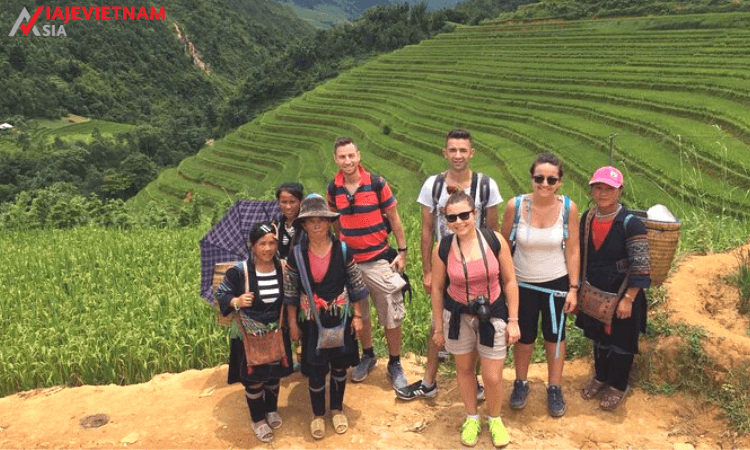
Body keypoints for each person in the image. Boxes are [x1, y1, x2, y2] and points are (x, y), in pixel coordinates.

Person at [398, 129, 504, 401]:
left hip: (479, 268)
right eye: (453, 150)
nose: (458, 155)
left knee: (479, 322)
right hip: (446, 265)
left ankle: (474, 381)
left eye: (463, 150)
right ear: (444, 153)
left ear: (472, 153)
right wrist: (428, 271)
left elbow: (494, 232)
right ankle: (429, 381)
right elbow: (426, 230)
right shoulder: (432, 185)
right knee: (438, 323)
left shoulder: (486, 186)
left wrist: (496, 273)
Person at [431, 191, 520, 447]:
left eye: (464, 215)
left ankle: (495, 418)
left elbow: (510, 281)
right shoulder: (443, 248)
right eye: (452, 217)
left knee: (492, 376)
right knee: (464, 369)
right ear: (446, 220)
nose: (458, 221)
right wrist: (439, 328)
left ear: (475, 214)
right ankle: (472, 417)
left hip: (493, 314)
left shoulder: (494, 241)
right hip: (458, 316)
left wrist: (513, 320)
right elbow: (437, 288)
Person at [500, 152, 580, 417]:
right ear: (532, 178)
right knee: (523, 337)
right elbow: (503, 246)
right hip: (522, 284)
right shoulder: (515, 206)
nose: (544, 184)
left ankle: (554, 387)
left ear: (559, 182)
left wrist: (573, 288)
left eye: (551, 179)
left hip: (556, 283)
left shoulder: (568, 208)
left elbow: (573, 249)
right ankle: (520, 382)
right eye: (539, 178)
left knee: (555, 336)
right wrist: (503, 283)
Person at [327, 137, 410, 390]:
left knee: (391, 312)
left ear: (359, 156)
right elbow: (336, 222)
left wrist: (403, 251)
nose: (347, 161)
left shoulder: (376, 183)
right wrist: (343, 247)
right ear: (335, 159)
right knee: (359, 313)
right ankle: (368, 355)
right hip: (350, 264)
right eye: (342, 157)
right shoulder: (333, 189)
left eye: (351, 155)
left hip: (378, 260)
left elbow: (394, 218)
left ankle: (394, 362)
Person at [284, 194, 369, 440]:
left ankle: (337, 409)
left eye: (321, 220)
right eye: (311, 221)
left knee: (340, 365)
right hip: (311, 320)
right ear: (303, 225)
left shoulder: (342, 250)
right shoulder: (297, 255)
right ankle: (318, 414)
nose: (317, 225)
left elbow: (355, 285)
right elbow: (291, 292)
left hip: (340, 317)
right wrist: (292, 323)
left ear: (330, 222)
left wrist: (358, 316)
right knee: (316, 368)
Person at [576, 166, 651, 410]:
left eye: (609, 188)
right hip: (595, 292)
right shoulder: (588, 218)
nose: (602, 193)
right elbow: (582, 254)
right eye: (598, 188)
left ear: (619, 191)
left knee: (622, 342)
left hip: (622, 293)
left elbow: (641, 265)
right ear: (591, 190)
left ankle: (618, 385)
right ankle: (601, 376)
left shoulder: (631, 224)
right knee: (599, 338)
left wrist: (629, 298)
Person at [215, 222, 294, 443]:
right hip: (250, 334)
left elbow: (293, 293)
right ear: (253, 245)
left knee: (274, 375)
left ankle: (271, 410)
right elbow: (222, 294)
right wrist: (236, 301)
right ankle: (258, 419)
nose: (268, 248)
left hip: (276, 330)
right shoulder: (239, 272)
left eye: (272, 243)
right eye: (262, 244)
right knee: (254, 380)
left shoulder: (283, 268)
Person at [274, 181, 304, 260]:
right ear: (278, 202)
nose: (288, 207)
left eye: (292, 202)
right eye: (284, 202)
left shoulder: (306, 226)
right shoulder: (276, 225)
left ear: (301, 201)